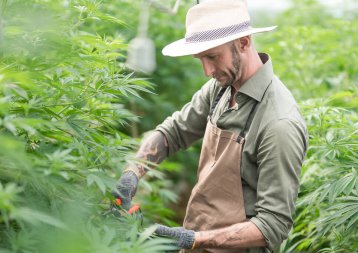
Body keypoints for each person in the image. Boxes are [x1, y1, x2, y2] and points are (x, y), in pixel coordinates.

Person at [114, 0, 308, 252]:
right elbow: (173, 132)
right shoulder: (221, 88)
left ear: (244, 42)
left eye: (213, 56)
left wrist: (193, 238)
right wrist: (132, 172)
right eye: (200, 58)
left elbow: (273, 225)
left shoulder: (279, 123)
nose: (207, 70)